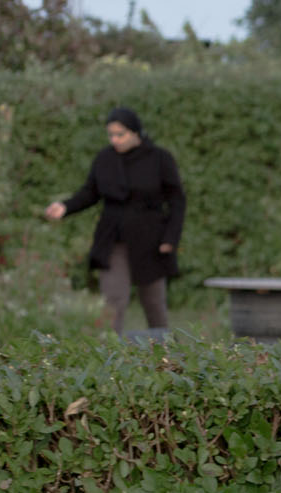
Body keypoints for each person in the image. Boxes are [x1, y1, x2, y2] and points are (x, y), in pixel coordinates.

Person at [44, 106, 185, 332]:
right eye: (111, 135)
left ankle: (165, 358)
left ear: (135, 132)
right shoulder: (105, 159)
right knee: (113, 301)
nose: (115, 140)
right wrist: (65, 207)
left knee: (154, 304)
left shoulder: (160, 159)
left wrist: (171, 238)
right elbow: (90, 193)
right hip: (113, 239)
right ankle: (110, 356)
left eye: (121, 135)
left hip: (151, 241)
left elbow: (177, 201)